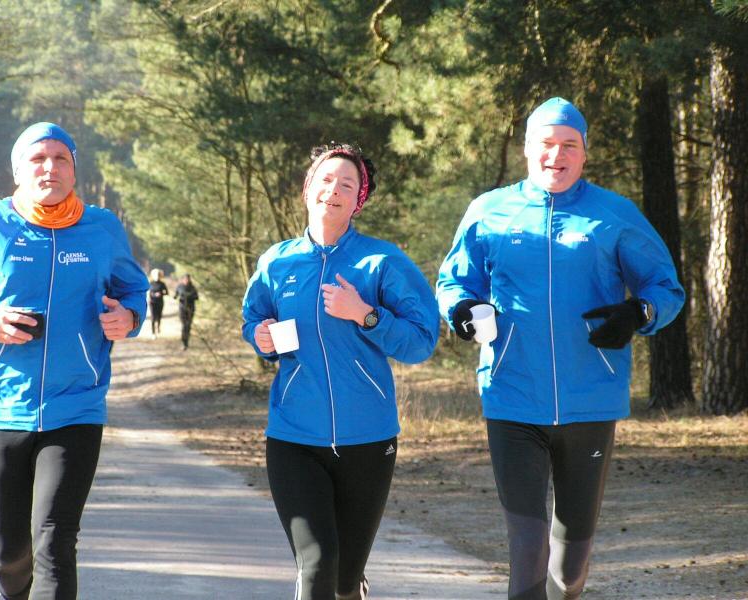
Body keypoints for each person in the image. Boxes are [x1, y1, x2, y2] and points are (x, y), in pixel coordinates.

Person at [436, 98, 685, 600]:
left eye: (569, 145)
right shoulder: (490, 210)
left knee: (569, 573)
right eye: (547, 144)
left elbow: (665, 288)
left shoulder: (614, 214)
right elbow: (454, 281)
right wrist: (461, 310)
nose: (557, 155)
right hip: (511, 397)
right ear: (528, 149)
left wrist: (638, 313)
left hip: (591, 400)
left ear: (585, 153)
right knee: (528, 550)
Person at [0, 122, 148, 600]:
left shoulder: (101, 228)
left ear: (74, 169)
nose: (49, 168)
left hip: (78, 403)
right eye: (37, 159)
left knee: (55, 542)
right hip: (2, 404)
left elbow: (133, 289)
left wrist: (129, 316)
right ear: (17, 170)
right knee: (9, 554)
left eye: (61, 158)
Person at [242, 143, 440, 600]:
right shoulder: (277, 261)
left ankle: (352, 584)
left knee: (344, 580)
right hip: (293, 437)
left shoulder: (381, 262)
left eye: (346, 185)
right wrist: (260, 337)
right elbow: (253, 319)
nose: (333, 190)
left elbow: (421, 341)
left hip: (367, 439)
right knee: (318, 563)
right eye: (325, 180)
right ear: (307, 189)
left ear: (358, 201)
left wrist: (366, 315)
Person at [174, 273, 198, 350]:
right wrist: (178, 296)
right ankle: (183, 341)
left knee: (188, 326)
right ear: (183, 279)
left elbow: (196, 297)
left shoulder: (192, 287)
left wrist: (190, 296)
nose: (186, 280)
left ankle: (186, 341)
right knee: (184, 325)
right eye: (185, 279)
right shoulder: (180, 286)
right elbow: (175, 295)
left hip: (190, 309)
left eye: (188, 279)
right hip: (182, 309)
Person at [148, 267, 168, 338]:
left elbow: (166, 292)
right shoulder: (150, 283)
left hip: (160, 302)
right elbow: (149, 293)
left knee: (159, 316)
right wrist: (154, 295)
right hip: (152, 302)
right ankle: (153, 333)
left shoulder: (162, 284)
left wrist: (161, 293)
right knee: (153, 317)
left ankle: (158, 327)